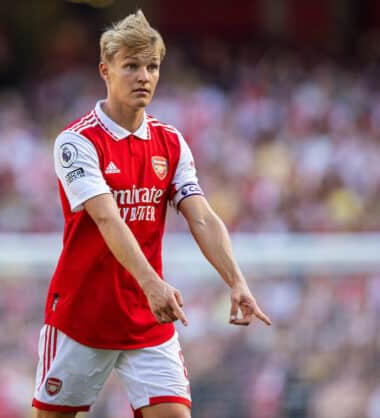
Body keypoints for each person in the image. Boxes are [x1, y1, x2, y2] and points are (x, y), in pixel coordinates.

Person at [32, 10, 271, 418]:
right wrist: (152, 284)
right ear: (105, 70)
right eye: (131, 66)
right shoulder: (77, 141)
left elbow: (202, 217)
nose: (144, 76)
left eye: (152, 66)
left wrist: (236, 281)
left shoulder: (170, 142)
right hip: (82, 316)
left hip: (147, 317)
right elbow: (107, 219)